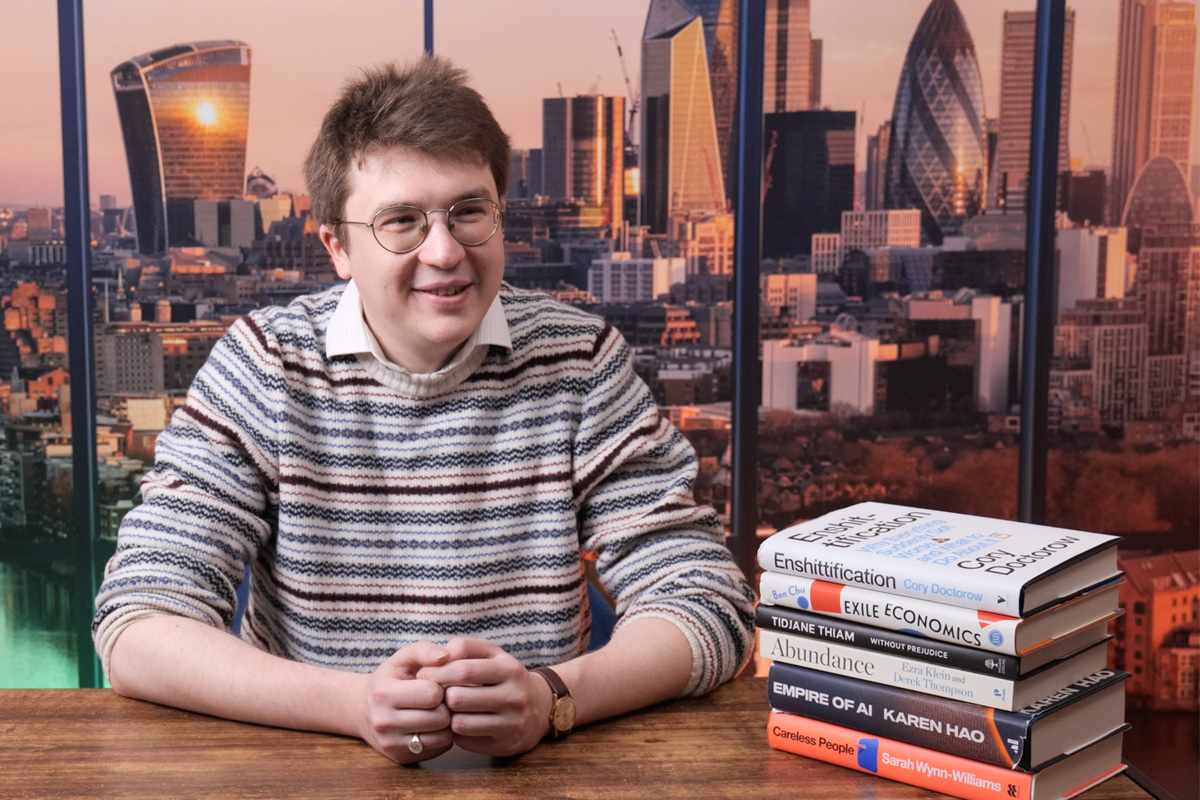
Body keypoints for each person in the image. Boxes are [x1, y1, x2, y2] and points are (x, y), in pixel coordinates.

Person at [93, 57, 755, 765]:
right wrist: (352, 706)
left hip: (538, 777)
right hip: (310, 771)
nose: (445, 252)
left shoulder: (579, 360)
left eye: (469, 212)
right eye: (402, 221)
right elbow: (137, 627)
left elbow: (709, 601)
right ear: (337, 247)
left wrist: (553, 698)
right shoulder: (266, 365)